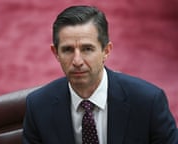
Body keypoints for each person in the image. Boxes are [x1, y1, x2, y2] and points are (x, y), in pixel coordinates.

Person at [22, 5, 177, 144]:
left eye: (87, 49)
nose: (77, 61)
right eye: (68, 50)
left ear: (106, 51)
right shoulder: (38, 107)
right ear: (55, 53)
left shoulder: (148, 102)